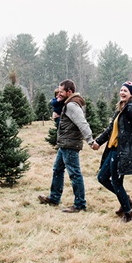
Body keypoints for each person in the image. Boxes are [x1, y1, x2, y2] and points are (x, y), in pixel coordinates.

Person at [91, 81, 132, 222]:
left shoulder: (131, 108)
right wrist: (98, 142)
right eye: (121, 90)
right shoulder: (121, 109)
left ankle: (128, 213)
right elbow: (110, 129)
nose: (122, 93)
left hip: (123, 151)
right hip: (113, 149)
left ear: (131, 94)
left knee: (116, 182)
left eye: (126, 91)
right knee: (102, 178)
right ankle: (126, 200)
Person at [38, 79, 95, 213]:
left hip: (70, 145)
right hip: (64, 143)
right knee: (57, 169)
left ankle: (80, 204)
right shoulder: (67, 104)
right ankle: (54, 198)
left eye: (62, 91)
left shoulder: (72, 105)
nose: (59, 94)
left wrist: (90, 140)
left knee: (74, 174)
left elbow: (82, 123)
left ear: (70, 92)